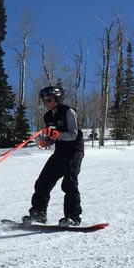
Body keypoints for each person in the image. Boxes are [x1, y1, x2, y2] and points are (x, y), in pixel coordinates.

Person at [23, 86, 85, 227]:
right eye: (44, 101)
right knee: (43, 181)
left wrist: (58, 135)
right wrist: (45, 141)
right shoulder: (48, 116)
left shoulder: (68, 111)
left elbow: (73, 134)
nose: (47, 103)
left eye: (49, 99)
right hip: (60, 152)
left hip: (74, 151)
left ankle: (73, 217)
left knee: (69, 183)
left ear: (56, 99)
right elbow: (53, 138)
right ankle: (39, 213)